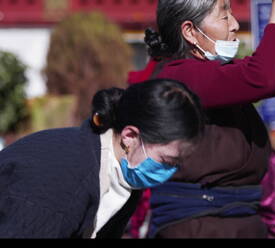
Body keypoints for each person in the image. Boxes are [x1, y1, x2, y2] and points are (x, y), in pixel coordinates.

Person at [126, 0, 275, 238]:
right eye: (224, 16)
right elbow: (263, 76)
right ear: (190, 31)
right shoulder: (179, 77)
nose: (235, 24)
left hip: (239, 218)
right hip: (199, 225)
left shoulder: (217, 74)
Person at [0, 78, 204, 238]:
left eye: (177, 164)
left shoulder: (123, 179)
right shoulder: (60, 178)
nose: (170, 171)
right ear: (130, 136)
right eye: (167, 161)